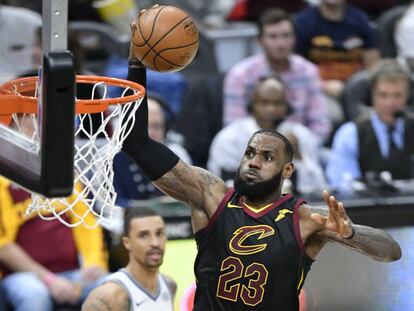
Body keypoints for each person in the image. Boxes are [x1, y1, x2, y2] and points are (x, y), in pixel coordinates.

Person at [116, 13, 402, 310]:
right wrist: (136, 64)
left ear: (287, 169)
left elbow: (390, 251)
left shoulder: (305, 219)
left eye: (267, 157)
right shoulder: (210, 196)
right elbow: (136, 143)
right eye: (250, 154)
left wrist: (352, 234)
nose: (253, 162)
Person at [223, 8, 331, 143]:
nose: (281, 44)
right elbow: (233, 128)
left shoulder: (308, 71)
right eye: (273, 37)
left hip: (300, 149)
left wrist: (301, 147)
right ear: (260, 41)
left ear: (295, 38)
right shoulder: (240, 75)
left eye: (286, 36)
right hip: (251, 152)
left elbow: (320, 126)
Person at [0, 177, 108, 311]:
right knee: (34, 295)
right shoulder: (4, 181)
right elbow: (3, 247)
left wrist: (94, 262)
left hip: (73, 272)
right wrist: (49, 279)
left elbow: (87, 225)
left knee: (111, 288)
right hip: (22, 276)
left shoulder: (65, 177)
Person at [208, 75, 327, 194]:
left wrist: (297, 156)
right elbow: (218, 187)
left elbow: (318, 189)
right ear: (252, 105)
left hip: (291, 208)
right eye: (264, 103)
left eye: (278, 103)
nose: (271, 109)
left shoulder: (302, 135)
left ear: (287, 106)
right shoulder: (230, 138)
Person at [326, 59, 414, 192]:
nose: (390, 103)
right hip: (366, 211)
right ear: (371, 95)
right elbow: (341, 184)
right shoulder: (350, 133)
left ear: (408, 97)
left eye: (397, 95)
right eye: (383, 95)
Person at [82, 207, 176, 310]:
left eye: (159, 233)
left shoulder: (169, 285)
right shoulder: (109, 295)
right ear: (127, 243)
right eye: (144, 235)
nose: (155, 243)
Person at [113, 93, 192, 207]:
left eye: (157, 126)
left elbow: (190, 198)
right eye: (146, 126)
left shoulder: (177, 155)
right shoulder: (111, 158)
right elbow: (110, 208)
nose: (151, 133)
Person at [294, 0, 379, 100]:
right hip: (319, 90)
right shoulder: (303, 22)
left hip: (358, 90)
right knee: (333, 114)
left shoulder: (360, 19)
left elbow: (374, 66)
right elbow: (297, 70)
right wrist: (323, 85)